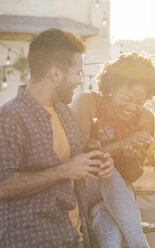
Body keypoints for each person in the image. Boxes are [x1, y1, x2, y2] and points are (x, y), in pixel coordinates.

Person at [0, 29, 114, 248]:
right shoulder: (10, 118)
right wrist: (64, 170)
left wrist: (99, 164)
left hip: (75, 235)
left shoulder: (64, 112)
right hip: (33, 241)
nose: (80, 81)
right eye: (77, 73)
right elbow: (2, 186)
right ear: (55, 74)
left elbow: (80, 158)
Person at [71, 52, 155, 248]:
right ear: (112, 87)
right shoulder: (87, 102)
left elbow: (132, 174)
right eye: (128, 98)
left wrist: (134, 159)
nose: (132, 107)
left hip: (116, 199)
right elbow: (80, 156)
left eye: (140, 102)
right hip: (81, 188)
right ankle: (140, 244)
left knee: (108, 228)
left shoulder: (145, 118)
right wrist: (125, 143)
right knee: (106, 167)